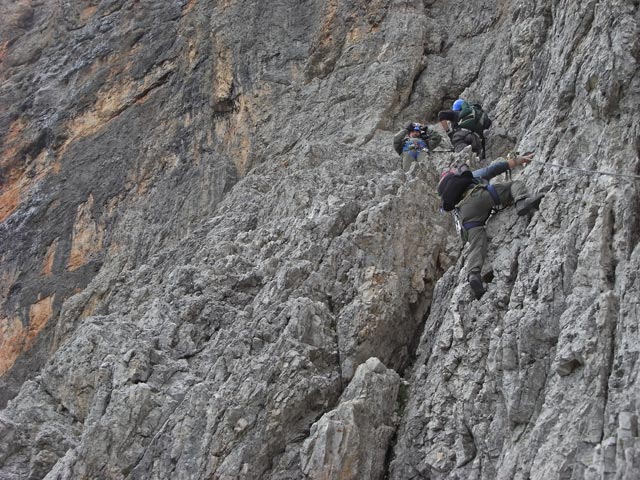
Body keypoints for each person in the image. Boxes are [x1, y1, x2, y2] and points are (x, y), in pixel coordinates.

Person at [437, 153, 544, 299]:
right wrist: (517, 161)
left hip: (466, 214)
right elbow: (492, 170)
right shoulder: (469, 176)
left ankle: (474, 274)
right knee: (513, 185)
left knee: (477, 244)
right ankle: (521, 203)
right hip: (479, 197)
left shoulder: (450, 197)